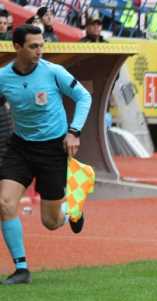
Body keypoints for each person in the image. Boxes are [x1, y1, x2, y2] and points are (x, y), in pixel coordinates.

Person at [0, 25, 93, 285]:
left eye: (41, 45)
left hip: (53, 149)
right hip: (20, 147)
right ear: (16, 47)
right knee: (5, 203)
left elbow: (84, 97)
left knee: (51, 222)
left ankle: (72, 207)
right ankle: (21, 269)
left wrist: (74, 132)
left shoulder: (53, 72)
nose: (40, 50)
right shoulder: (3, 77)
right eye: (33, 46)